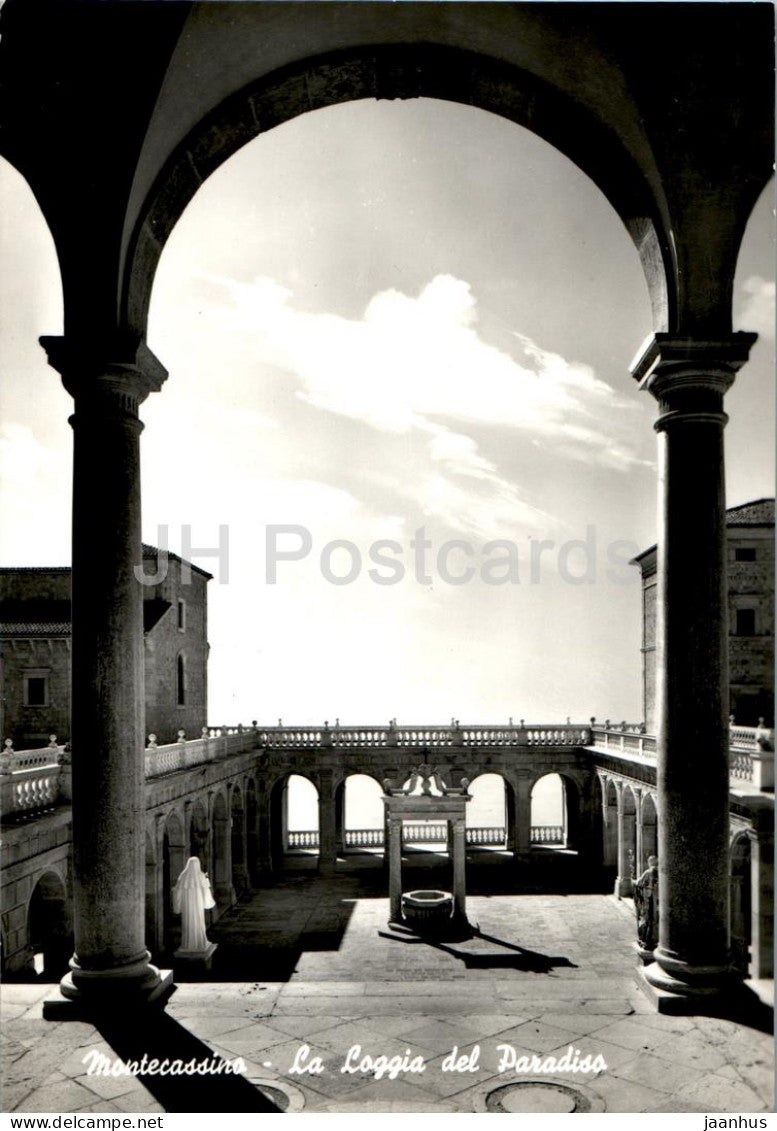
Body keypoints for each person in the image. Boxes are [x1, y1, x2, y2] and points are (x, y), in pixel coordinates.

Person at [172, 856, 216, 952]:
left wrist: (177, 905)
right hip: (198, 905)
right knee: (198, 922)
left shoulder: (183, 876)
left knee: (187, 923)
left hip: (186, 906)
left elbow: (177, 892)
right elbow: (206, 890)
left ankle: (187, 944)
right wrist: (208, 902)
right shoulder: (201, 875)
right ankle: (199, 943)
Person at [633, 854, 659, 952]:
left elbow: (639, 883)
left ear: (650, 863)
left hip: (648, 900)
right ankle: (655, 940)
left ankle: (646, 941)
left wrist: (633, 881)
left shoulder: (648, 872)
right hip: (657, 901)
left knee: (647, 920)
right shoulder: (660, 873)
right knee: (655, 920)